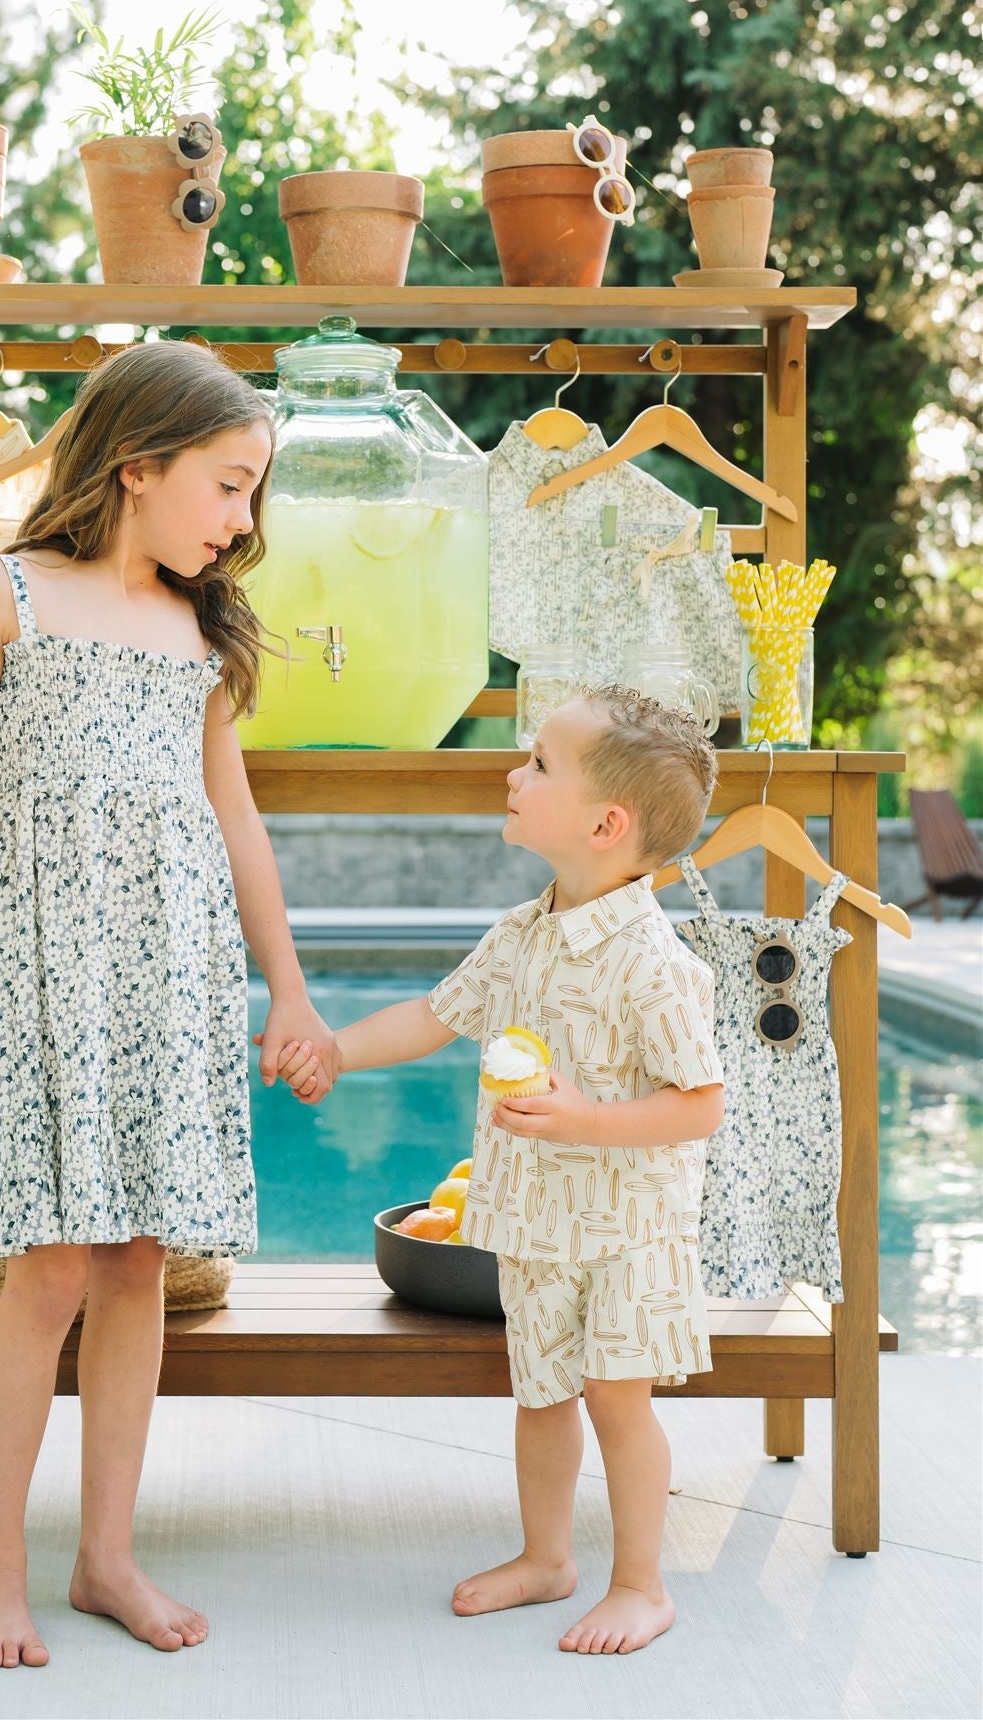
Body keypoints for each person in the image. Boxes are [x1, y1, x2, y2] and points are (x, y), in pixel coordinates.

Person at [0, 341, 335, 1669]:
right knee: (54, 1263)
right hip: (43, 967)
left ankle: (105, 1555)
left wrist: (287, 988)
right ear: (139, 465)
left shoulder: (199, 626)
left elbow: (234, 820)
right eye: (231, 485)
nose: (243, 520)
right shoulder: (5, 591)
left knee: (137, 1260)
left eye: (253, 495)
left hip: (174, 971)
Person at [280, 688, 723, 1656]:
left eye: (538, 764)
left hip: (629, 1228)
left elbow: (701, 1103)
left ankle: (643, 1583)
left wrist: (584, 1117)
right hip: (534, 1222)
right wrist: (336, 1050)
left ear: (605, 823)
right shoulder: (523, 930)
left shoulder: (655, 961)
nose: (512, 774)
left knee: (617, 1395)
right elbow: (436, 1014)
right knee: (542, 1392)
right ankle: (545, 1556)